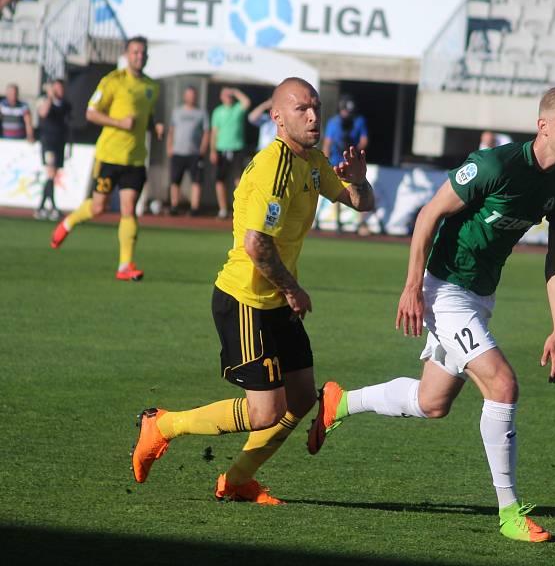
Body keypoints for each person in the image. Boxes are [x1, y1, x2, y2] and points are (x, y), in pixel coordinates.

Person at [307, 86, 555, 543]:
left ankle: (340, 402)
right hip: (444, 291)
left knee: (431, 403)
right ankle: (510, 512)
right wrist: (412, 288)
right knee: (503, 384)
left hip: (479, 297)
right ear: (544, 126)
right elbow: (429, 214)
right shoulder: (496, 165)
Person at [129, 77, 375, 504]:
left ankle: (238, 480)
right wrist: (294, 288)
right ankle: (162, 425)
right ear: (277, 117)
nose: (314, 116)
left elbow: (361, 203)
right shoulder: (271, 168)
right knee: (266, 412)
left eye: (316, 107)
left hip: (276, 299)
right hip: (245, 299)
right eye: (302, 109)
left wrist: (360, 180)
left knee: (300, 399)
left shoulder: (314, 161)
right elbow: (256, 244)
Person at [50, 36, 163, 281]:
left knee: (128, 208)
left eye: (143, 53)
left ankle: (125, 265)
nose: (139, 56)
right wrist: (118, 123)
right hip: (110, 156)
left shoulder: (151, 87)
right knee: (99, 207)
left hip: (135, 159)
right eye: (135, 52)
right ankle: (68, 222)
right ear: (126, 54)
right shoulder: (113, 81)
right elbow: (91, 113)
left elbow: (149, 114)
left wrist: (157, 125)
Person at [323, 94, 369, 234]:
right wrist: (325, 163)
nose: (347, 114)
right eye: (345, 111)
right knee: (336, 191)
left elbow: (364, 140)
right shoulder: (333, 123)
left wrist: (354, 150)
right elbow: (327, 144)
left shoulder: (359, 121)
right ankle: (337, 222)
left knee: (361, 190)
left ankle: (361, 223)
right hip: (337, 161)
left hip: (352, 161)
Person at [166, 85, 208, 216]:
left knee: (196, 181)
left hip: (194, 153)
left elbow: (207, 132)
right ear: (185, 96)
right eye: (189, 95)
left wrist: (203, 149)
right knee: (175, 180)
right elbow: (172, 130)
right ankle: (174, 206)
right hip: (178, 152)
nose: (191, 97)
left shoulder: (201, 113)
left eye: (193, 95)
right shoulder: (177, 112)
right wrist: (169, 146)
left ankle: (194, 208)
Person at [210, 87, 251, 219]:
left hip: (237, 148)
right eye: (225, 95)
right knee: (220, 179)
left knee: (238, 179)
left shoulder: (237, 109)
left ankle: (240, 208)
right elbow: (214, 132)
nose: (228, 97)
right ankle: (222, 209)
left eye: (229, 95)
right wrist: (213, 150)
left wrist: (234, 91)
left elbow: (247, 102)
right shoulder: (217, 111)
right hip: (221, 148)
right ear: (221, 97)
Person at [35, 78, 72, 221]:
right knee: (50, 173)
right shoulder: (45, 101)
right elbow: (43, 113)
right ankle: (53, 207)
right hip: (48, 142)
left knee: (53, 175)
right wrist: (50, 97)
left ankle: (42, 207)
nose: (59, 91)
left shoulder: (66, 105)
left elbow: (68, 126)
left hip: (60, 143)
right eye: (56, 88)